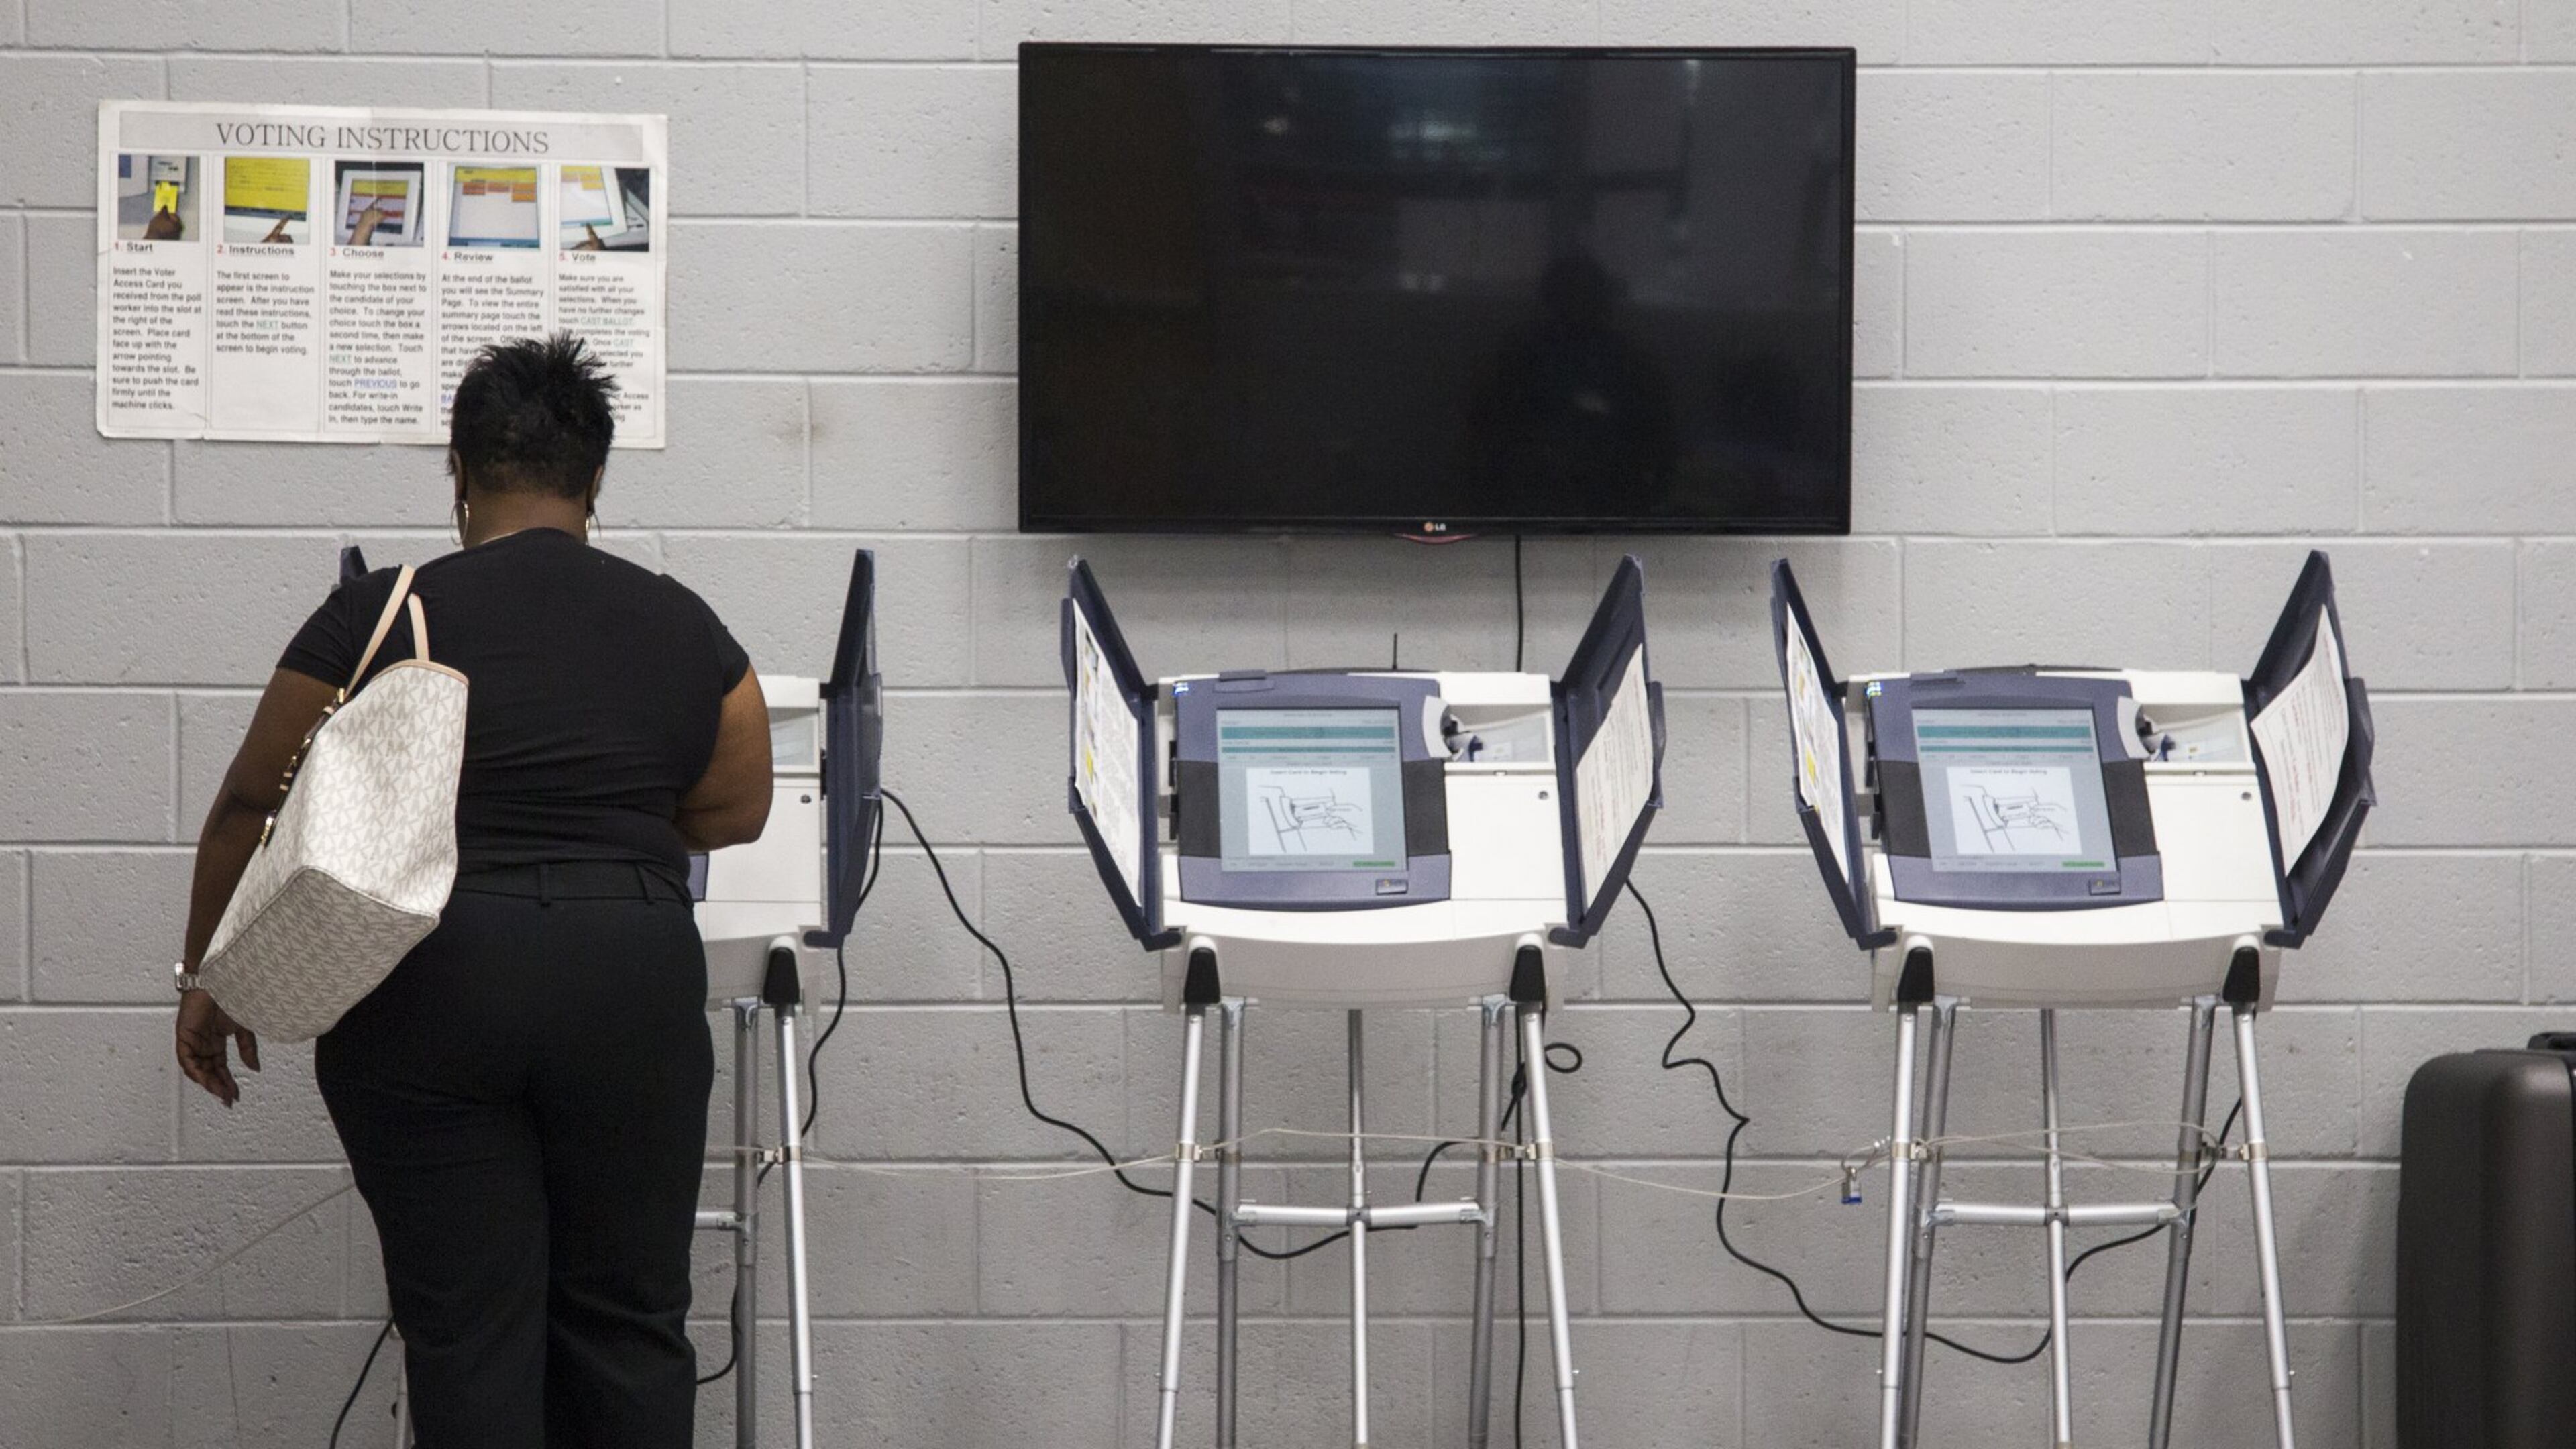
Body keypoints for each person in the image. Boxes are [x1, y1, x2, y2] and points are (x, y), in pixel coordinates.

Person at [172, 333, 773, 1447]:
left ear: (459, 473)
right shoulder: (687, 625)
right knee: (632, 1321)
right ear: (596, 480)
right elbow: (737, 811)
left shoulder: (382, 612)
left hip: (432, 981)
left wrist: (212, 974)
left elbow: (250, 802)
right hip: (627, 981)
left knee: (468, 1328)